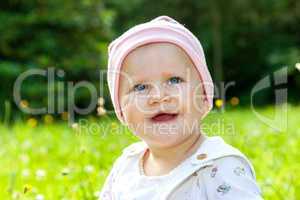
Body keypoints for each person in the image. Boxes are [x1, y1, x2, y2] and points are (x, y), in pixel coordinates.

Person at [100, 15, 263, 199]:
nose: (159, 97)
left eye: (174, 80)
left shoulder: (220, 167)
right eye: (140, 87)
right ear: (121, 110)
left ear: (203, 97)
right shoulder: (125, 167)